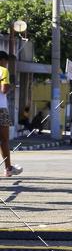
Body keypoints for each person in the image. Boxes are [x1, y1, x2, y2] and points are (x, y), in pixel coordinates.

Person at [0, 51, 22, 179]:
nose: (7, 64)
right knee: (4, 140)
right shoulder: (3, 71)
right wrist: (11, 86)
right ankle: (8, 169)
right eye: (6, 62)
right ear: (2, 60)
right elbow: (4, 90)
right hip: (1, 109)